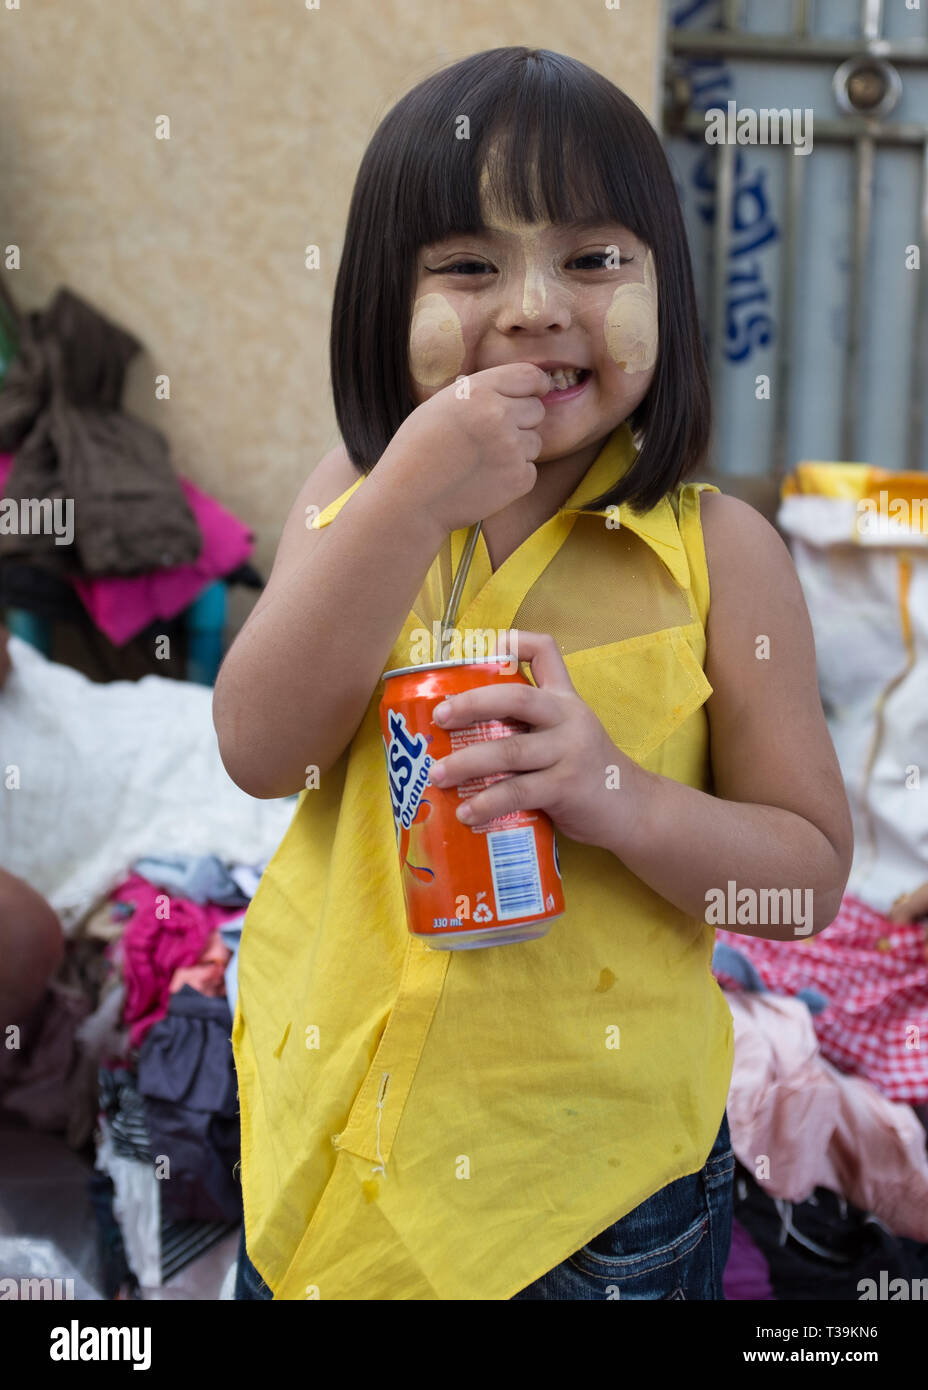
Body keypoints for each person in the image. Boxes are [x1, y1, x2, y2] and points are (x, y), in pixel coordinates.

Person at [212, 47, 853, 1301]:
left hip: (590, 1196)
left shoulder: (721, 557)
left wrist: (618, 793)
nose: (534, 307)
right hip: (332, 1149)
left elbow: (806, 885)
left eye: (593, 258)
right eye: (466, 266)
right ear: (376, 308)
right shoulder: (353, 498)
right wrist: (402, 494)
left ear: (666, 286)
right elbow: (257, 750)